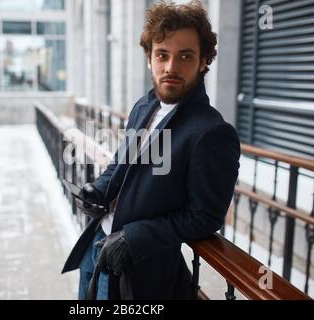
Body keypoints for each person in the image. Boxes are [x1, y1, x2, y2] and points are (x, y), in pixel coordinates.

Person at [62, 0, 240, 300]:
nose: (171, 67)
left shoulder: (212, 133)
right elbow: (122, 163)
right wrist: (98, 189)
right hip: (95, 248)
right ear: (150, 58)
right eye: (162, 55)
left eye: (185, 56)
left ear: (203, 61)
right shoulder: (144, 106)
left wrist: (136, 237)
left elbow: (206, 217)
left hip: (136, 270)